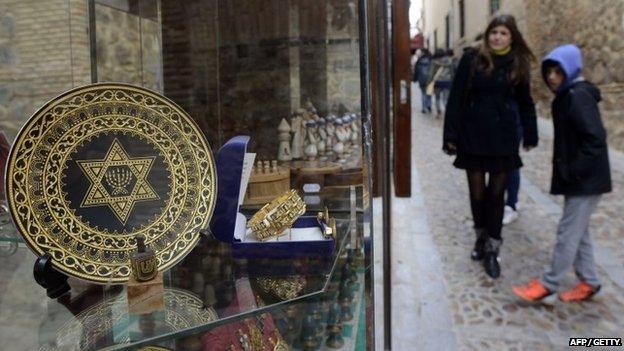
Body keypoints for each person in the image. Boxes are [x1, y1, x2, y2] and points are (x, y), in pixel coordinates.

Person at [512, 44, 611, 303]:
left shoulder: (577, 97)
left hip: (585, 180)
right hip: (580, 179)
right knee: (579, 232)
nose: (552, 78)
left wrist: (573, 170)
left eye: (558, 71)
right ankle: (589, 281)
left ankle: (548, 284)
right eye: (549, 72)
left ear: (570, 69)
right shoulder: (569, 95)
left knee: (568, 232)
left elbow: (595, 139)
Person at [443, 14, 538, 278]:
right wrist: (450, 135)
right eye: (494, 32)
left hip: (503, 138)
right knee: (477, 195)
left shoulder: (517, 63)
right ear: (487, 35)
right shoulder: (472, 58)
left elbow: (525, 101)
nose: (497, 37)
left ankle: (493, 249)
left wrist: (530, 133)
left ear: (512, 37)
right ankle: (480, 238)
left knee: (497, 195)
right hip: (472, 136)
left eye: (503, 33)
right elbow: (456, 98)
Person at [428, 49, 454, 118]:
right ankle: (448, 113)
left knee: (437, 98)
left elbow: (431, 73)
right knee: (446, 99)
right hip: (447, 81)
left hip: (437, 82)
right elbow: (452, 72)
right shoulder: (449, 61)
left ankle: (438, 112)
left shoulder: (434, 61)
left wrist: (429, 82)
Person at [413, 48, 433, 113]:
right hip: (430, 79)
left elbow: (416, 71)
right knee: (429, 93)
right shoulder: (431, 60)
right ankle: (429, 105)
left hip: (422, 80)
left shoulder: (419, 61)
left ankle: (424, 108)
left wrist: (415, 79)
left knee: (423, 93)